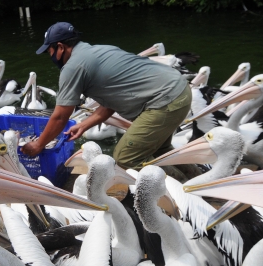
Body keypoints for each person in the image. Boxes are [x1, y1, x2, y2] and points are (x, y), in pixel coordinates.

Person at [21, 22, 191, 170]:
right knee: (161, 150)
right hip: (179, 89)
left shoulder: (72, 67)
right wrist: (84, 124)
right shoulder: (101, 50)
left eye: (49, 51)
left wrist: (38, 144)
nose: (49, 56)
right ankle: (194, 179)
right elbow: (111, 100)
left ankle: (180, 189)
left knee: (125, 158)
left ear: (60, 47)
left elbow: (59, 117)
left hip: (165, 101)